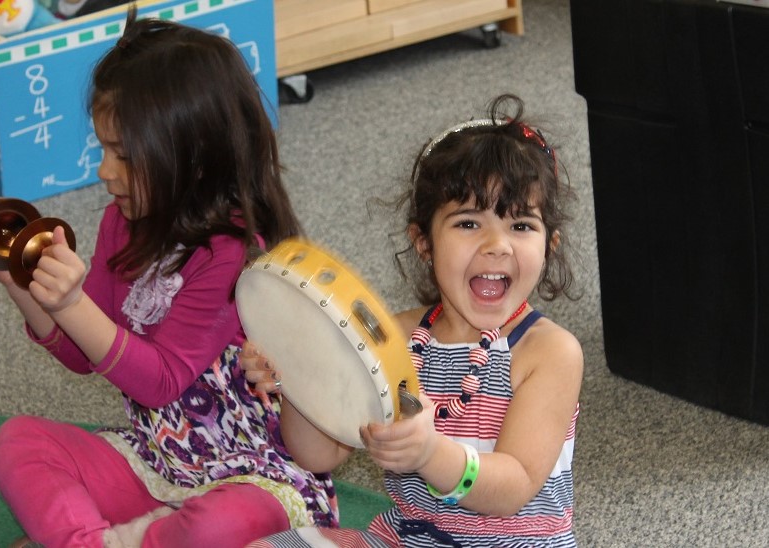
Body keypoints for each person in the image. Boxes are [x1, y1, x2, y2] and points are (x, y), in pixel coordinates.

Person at [0, 7, 337, 548]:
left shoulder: (233, 253)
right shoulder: (121, 221)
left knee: (224, 523)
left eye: (123, 154)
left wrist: (71, 304)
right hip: (159, 460)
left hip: (254, 475)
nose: (103, 171)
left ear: (193, 158)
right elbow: (82, 353)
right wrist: (23, 288)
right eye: (103, 148)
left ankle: (113, 537)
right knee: (17, 442)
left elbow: (161, 379)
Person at [243, 94, 584, 547]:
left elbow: (513, 488)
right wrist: (298, 377)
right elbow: (318, 454)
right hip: (409, 538)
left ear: (549, 245)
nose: (497, 245)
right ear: (423, 242)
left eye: (521, 226)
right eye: (468, 223)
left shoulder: (549, 352)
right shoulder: (394, 338)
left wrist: (430, 454)